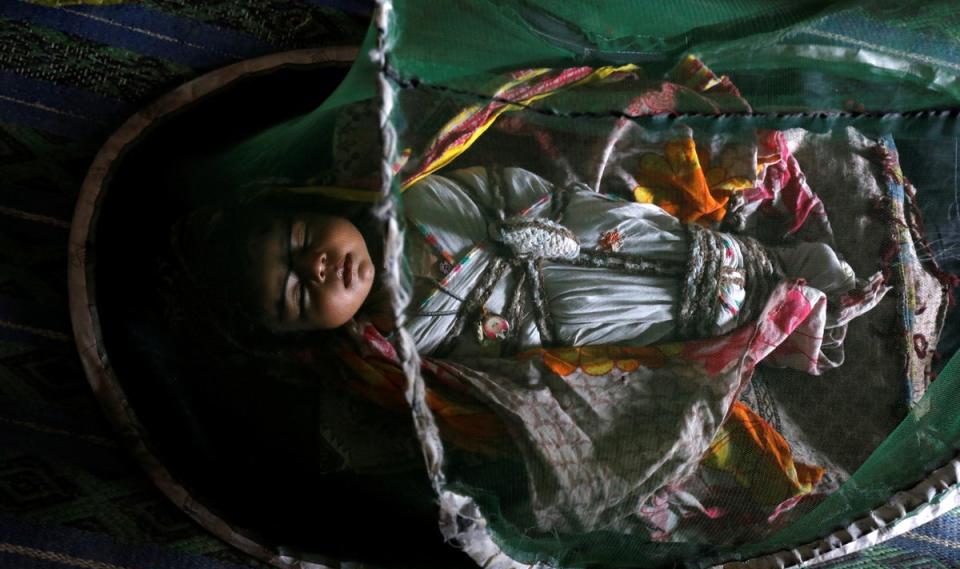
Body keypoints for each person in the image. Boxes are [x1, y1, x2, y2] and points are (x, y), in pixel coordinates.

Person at [179, 165, 876, 367]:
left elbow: (497, 187)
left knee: (691, 250)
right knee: (688, 314)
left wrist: (531, 226)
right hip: (560, 314)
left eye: (303, 237)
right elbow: (491, 376)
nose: (319, 265)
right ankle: (791, 320)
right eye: (299, 295)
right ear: (306, 333)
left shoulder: (417, 198)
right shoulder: (393, 351)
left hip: (567, 239)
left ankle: (789, 266)